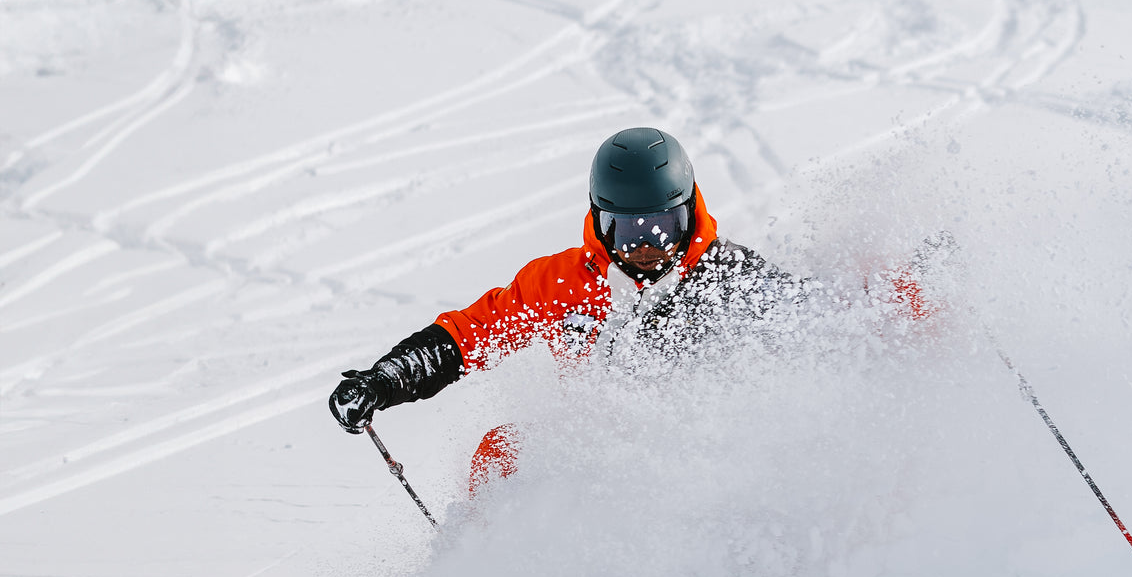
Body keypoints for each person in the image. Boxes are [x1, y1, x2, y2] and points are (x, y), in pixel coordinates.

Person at [327, 126, 806, 488]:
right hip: (591, 454)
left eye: (663, 226)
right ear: (600, 220)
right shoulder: (563, 283)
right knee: (503, 452)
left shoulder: (730, 276)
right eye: (628, 229)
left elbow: (816, 321)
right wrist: (386, 379)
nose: (645, 247)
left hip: (697, 460)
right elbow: (472, 334)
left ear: (689, 212)